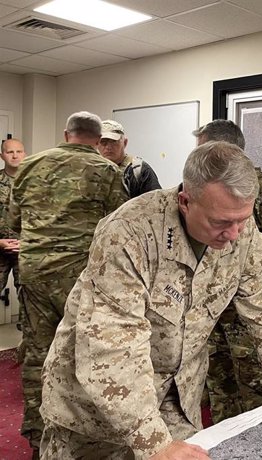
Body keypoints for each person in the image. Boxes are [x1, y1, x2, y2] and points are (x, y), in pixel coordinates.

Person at [39, 141, 262, 459]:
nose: (233, 234)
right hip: (96, 415)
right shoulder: (129, 234)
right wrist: (153, 442)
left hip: (175, 402)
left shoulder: (240, 230)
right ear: (186, 201)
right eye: (220, 223)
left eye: (241, 220)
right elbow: (111, 349)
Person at [8, 112, 127, 455]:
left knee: (37, 351)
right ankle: (79, 437)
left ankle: (35, 432)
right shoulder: (106, 171)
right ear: (97, 138)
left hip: (33, 271)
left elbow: (15, 219)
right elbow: (117, 226)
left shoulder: (30, 166)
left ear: (66, 134)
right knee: (83, 355)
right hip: (78, 276)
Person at [194, 120, 262, 422]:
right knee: (220, 402)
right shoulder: (202, 195)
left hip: (253, 323)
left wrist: (244, 284)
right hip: (214, 320)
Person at [97, 119, 162, 198]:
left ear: (125, 143)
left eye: (114, 142)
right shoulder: (92, 170)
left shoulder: (139, 171)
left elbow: (157, 203)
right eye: (103, 142)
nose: (108, 147)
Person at [0, 139, 25, 305]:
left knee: (29, 302)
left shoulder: (34, 182)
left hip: (25, 249)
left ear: (25, 154)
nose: (15, 156)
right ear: (2, 155)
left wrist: (28, 242)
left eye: (18, 151)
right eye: (10, 152)